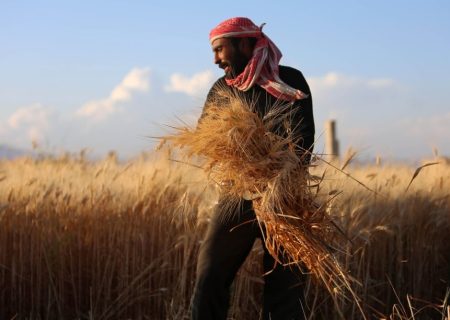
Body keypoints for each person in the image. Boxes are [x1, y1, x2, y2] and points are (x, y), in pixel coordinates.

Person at [191, 17, 315, 320]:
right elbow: (205, 138)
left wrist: (271, 169)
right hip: (237, 197)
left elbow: (303, 139)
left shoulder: (290, 81)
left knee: (286, 291)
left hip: (286, 200)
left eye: (220, 50)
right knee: (209, 279)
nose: (216, 60)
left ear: (244, 43)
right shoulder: (222, 89)